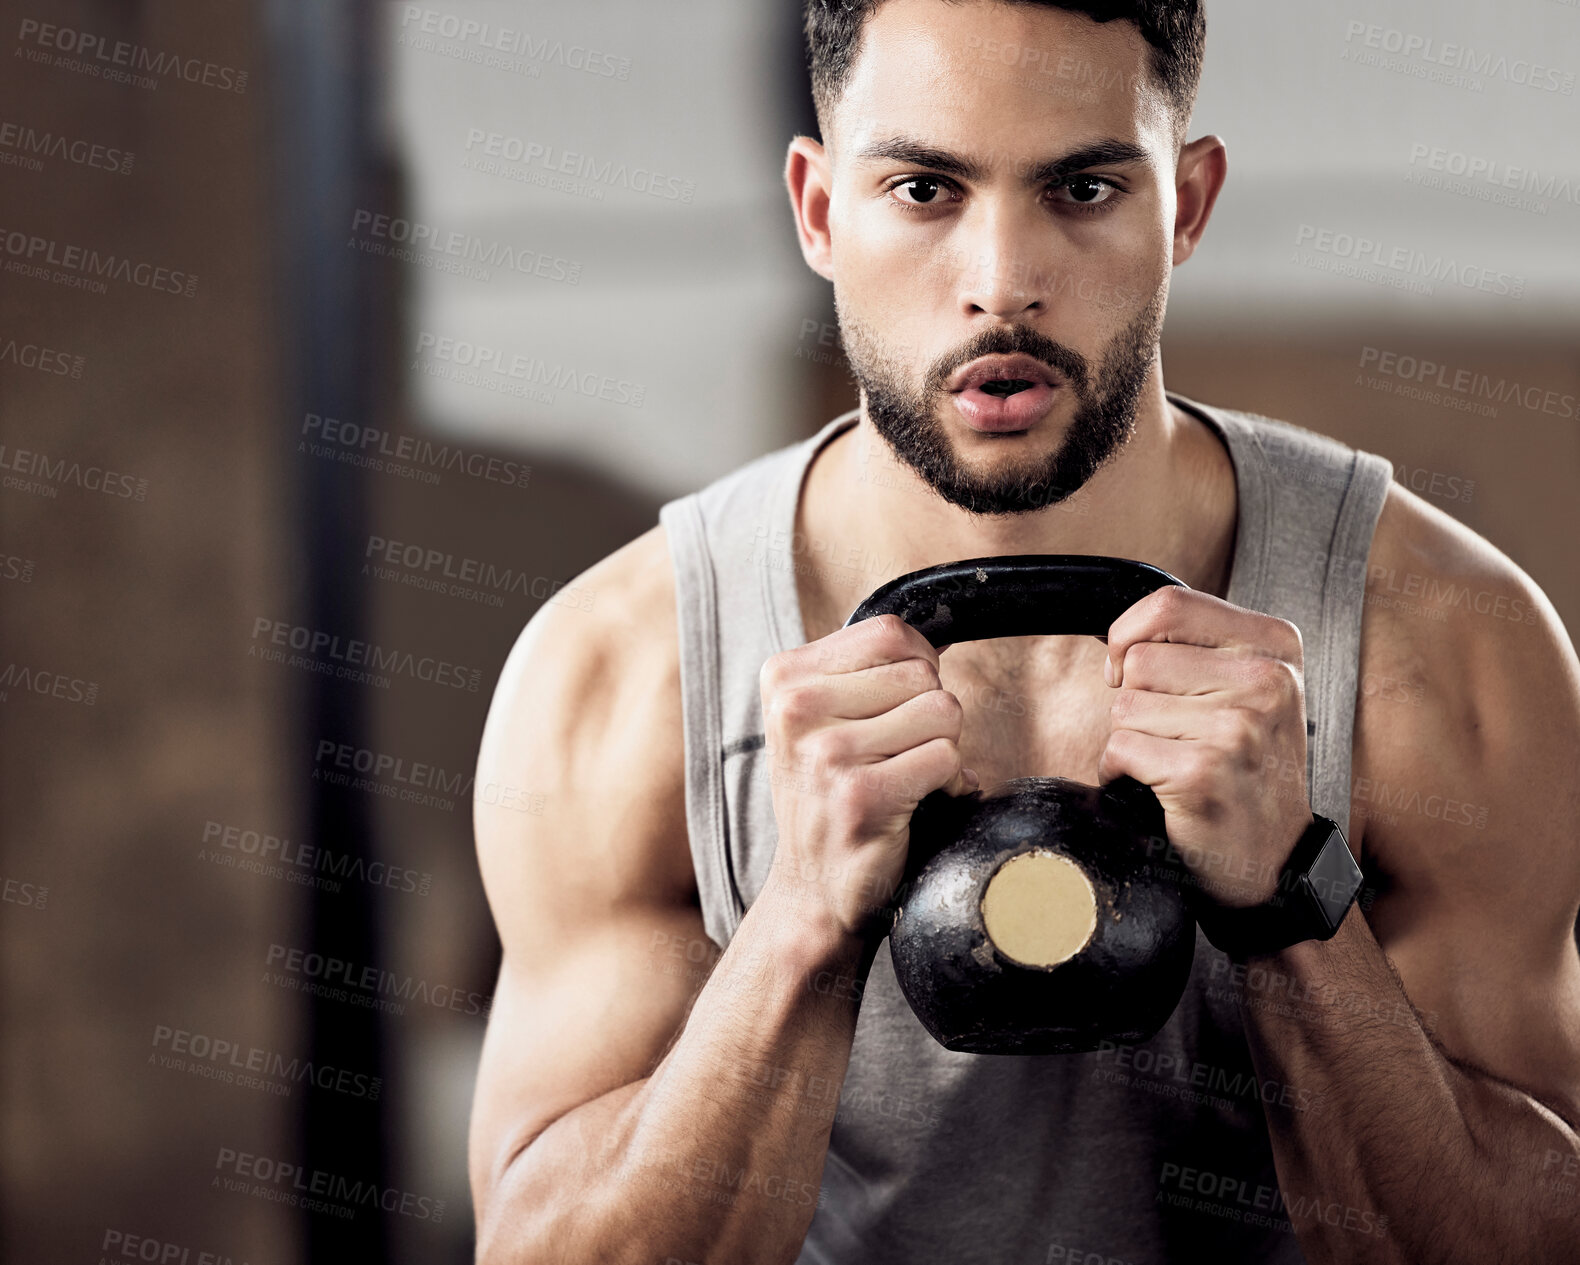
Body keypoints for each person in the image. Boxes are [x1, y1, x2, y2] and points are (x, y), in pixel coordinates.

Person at [466, 2, 1580, 1261]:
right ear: (821, 210)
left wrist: (1289, 905)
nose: (1000, 282)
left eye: (1085, 187)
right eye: (925, 188)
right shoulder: (620, 671)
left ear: (1187, 205)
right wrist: (798, 920)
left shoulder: (1441, 640)